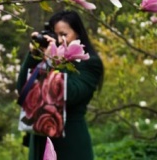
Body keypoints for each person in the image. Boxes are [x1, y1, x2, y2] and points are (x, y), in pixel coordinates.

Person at [17, 10, 104, 160]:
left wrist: (53, 61)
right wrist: (33, 57)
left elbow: (70, 94)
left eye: (63, 35)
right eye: (54, 35)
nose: (58, 40)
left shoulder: (90, 63)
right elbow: (23, 89)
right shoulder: (45, 57)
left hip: (69, 143)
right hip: (40, 139)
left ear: (78, 34)